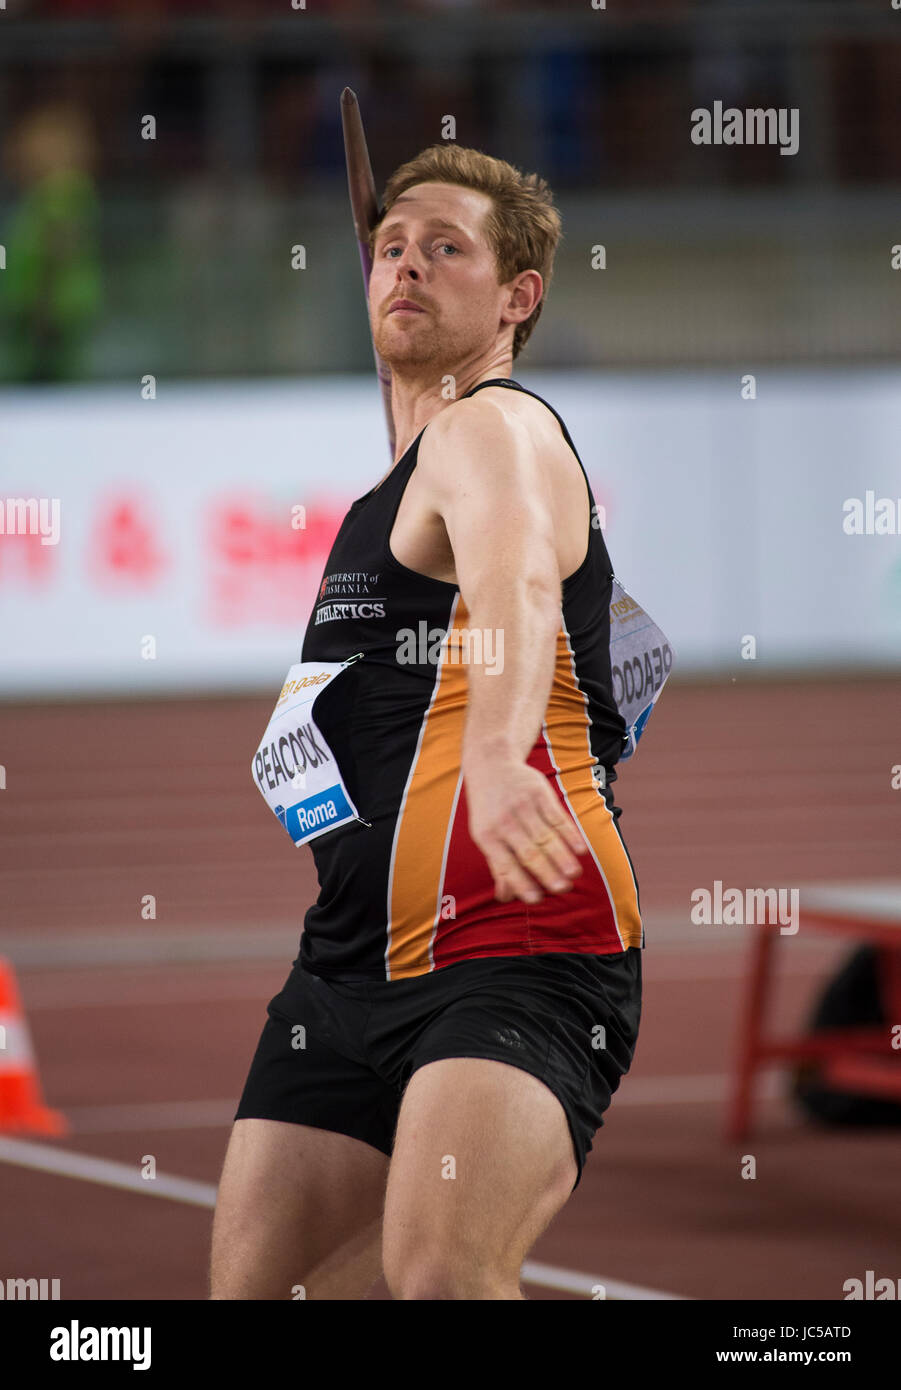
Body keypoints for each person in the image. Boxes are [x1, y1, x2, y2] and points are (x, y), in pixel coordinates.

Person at [210, 143, 643, 1301]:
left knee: (442, 1272)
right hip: (345, 963)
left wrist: (502, 756)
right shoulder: (396, 486)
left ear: (517, 297)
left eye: (445, 248)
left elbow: (518, 590)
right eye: (391, 247)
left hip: (517, 953)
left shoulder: (489, 432)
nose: (407, 265)